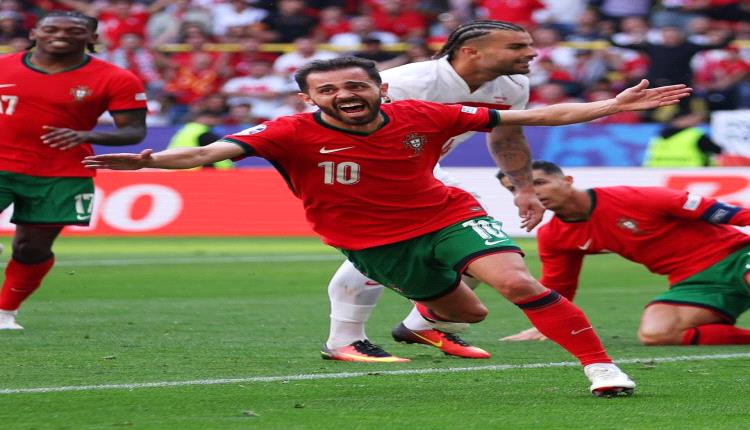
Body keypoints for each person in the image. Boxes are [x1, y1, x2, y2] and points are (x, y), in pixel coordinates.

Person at [84, 57, 690, 396]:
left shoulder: (422, 113)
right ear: (310, 99)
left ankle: (600, 367)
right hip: (373, 242)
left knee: (517, 283)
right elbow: (204, 153)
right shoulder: (287, 132)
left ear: (378, 88)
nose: (344, 94)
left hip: (447, 214)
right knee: (468, 313)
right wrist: (150, 161)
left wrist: (609, 106)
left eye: (356, 85)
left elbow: (534, 115)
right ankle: (420, 323)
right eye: (328, 90)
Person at [322, 20, 544, 363]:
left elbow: (507, 138)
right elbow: (344, 130)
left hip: (420, 172)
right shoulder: (408, 83)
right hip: (366, 171)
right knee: (407, 242)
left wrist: (524, 188)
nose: (531, 53)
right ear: (471, 52)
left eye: (528, 44)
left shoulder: (513, 85)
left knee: (479, 241)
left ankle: (423, 324)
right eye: (516, 46)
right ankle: (346, 338)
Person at [0, 10, 148, 330]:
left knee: (31, 247)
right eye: (51, 28)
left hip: (61, 172)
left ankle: (5, 312)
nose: (61, 35)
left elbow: (134, 131)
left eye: (74, 31)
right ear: (34, 33)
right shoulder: (3, 66)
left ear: (92, 38)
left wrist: (87, 135)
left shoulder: (116, 78)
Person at [498, 161, 750, 345]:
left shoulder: (635, 198)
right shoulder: (554, 235)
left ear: (568, 180)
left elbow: (731, 214)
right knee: (657, 334)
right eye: (515, 189)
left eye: (539, 183)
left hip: (738, 256)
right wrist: (548, 324)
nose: (531, 193)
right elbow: (560, 284)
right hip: (694, 283)